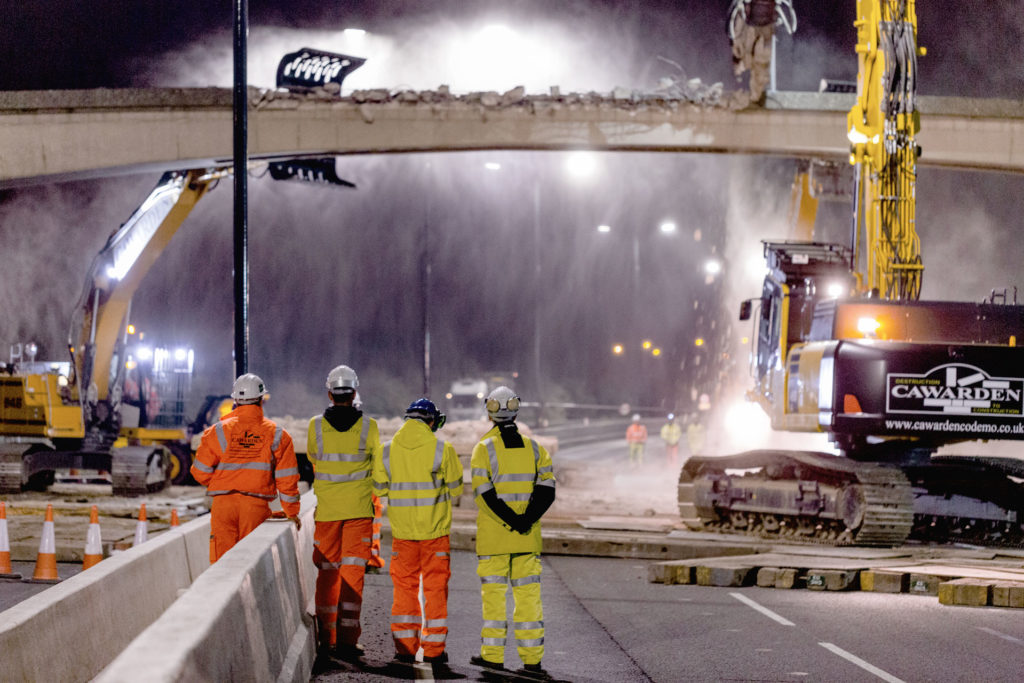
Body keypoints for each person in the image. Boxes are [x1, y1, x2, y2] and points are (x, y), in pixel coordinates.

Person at [470, 386, 556, 680]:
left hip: (494, 539)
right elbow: (548, 491)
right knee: (529, 600)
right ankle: (532, 661)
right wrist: (525, 521)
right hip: (526, 538)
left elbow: (484, 495)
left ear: (489, 411)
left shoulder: (483, 449)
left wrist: (509, 521)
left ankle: (492, 658)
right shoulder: (536, 449)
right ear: (517, 410)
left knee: (494, 599)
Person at [372, 398, 463, 673]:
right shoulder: (442, 449)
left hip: (403, 534)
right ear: (431, 421)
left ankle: (404, 649)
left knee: (404, 590)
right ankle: (434, 652)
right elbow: (457, 489)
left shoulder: (387, 451)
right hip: (435, 533)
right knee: (435, 591)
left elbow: (379, 487)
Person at [308, 365, 382, 665]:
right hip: (358, 513)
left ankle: (327, 639)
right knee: (353, 575)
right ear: (354, 393)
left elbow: (314, 459)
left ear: (329, 393)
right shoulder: (370, 426)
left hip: (327, 512)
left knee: (328, 575)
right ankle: (349, 642)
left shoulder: (314, 426)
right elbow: (378, 470)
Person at [191, 373, 301, 563]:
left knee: (222, 565)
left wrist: (222, 482)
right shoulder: (278, 435)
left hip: (223, 506)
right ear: (261, 400)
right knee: (249, 564)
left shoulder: (217, 431)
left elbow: (199, 471)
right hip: (255, 507)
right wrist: (291, 512)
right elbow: (287, 480)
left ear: (235, 400)